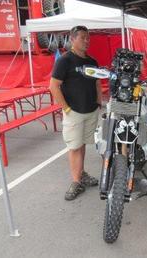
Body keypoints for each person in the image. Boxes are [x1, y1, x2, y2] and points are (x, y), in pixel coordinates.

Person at [49, 25, 100, 201]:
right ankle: (76, 181)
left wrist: (99, 102)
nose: (87, 41)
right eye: (83, 38)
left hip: (91, 109)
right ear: (73, 39)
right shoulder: (65, 60)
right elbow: (53, 86)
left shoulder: (92, 61)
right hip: (74, 111)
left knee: (82, 144)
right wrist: (66, 108)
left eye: (88, 38)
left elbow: (97, 83)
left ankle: (81, 173)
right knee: (74, 146)